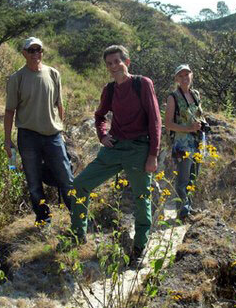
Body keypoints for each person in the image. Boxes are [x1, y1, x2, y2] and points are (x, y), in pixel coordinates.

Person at [69, 45, 161, 265]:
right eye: (109, 63)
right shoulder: (109, 90)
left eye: (117, 62)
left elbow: (155, 120)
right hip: (115, 147)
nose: (113, 67)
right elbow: (100, 115)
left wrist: (153, 155)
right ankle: (78, 236)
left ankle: (139, 250)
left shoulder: (142, 84)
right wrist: (102, 136)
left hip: (139, 148)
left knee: (142, 200)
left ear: (126, 62)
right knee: (80, 184)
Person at [4, 37, 74, 226]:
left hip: (53, 135)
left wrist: (62, 130)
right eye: (31, 50)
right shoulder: (17, 78)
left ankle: (79, 218)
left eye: (39, 50)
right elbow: (10, 110)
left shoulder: (53, 74)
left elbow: (59, 104)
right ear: (24, 53)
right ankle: (43, 219)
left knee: (66, 178)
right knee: (34, 183)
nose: (36, 54)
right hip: (28, 137)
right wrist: (7, 140)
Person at [164, 64, 206, 220]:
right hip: (182, 144)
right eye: (180, 76)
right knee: (183, 178)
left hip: (197, 141)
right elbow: (168, 124)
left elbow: (199, 114)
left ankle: (189, 207)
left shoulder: (195, 94)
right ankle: (183, 212)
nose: (184, 78)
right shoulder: (173, 97)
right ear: (176, 79)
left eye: (186, 74)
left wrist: (202, 124)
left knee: (193, 176)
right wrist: (189, 128)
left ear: (191, 76)